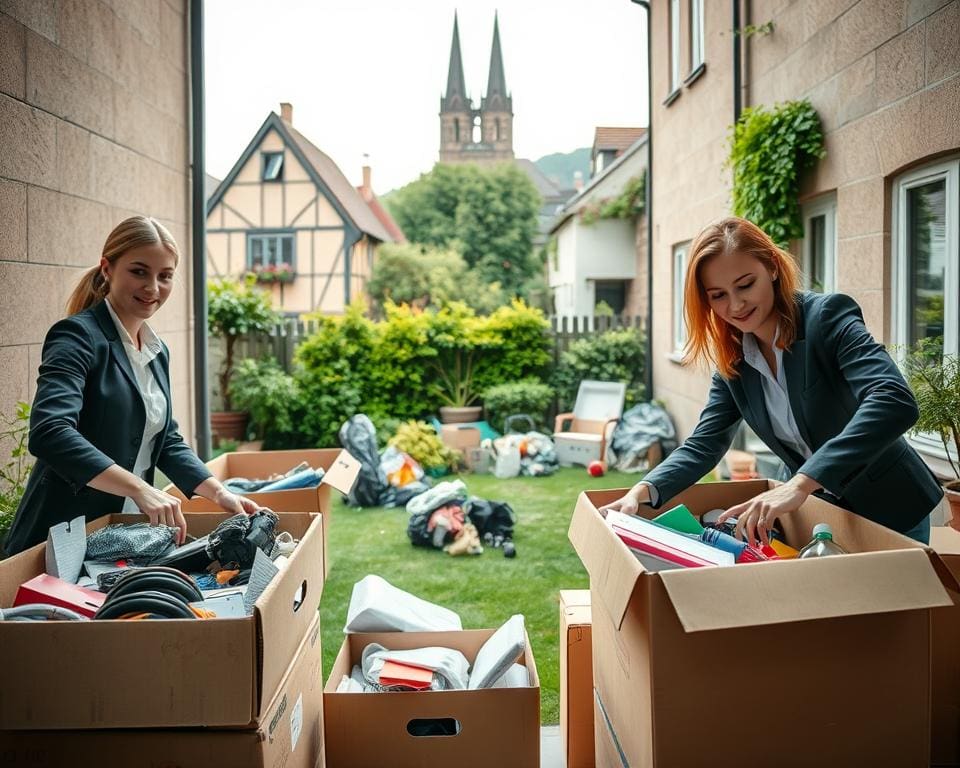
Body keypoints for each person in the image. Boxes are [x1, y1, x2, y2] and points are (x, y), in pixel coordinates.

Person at [601, 217, 942, 545]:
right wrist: (640, 492)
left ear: (773, 268)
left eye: (745, 284)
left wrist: (800, 483)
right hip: (821, 515)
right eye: (718, 295)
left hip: (892, 507)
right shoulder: (733, 358)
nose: (735, 305)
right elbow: (704, 444)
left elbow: (893, 400)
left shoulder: (826, 316)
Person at [4, 216, 261, 557]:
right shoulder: (77, 337)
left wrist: (218, 492)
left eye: (165, 276)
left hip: (123, 533)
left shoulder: (156, 351)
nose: (153, 288)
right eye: (139, 271)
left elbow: (165, 439)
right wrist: (140, 488)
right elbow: (50, 432)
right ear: (107, 268)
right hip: (60, 540)